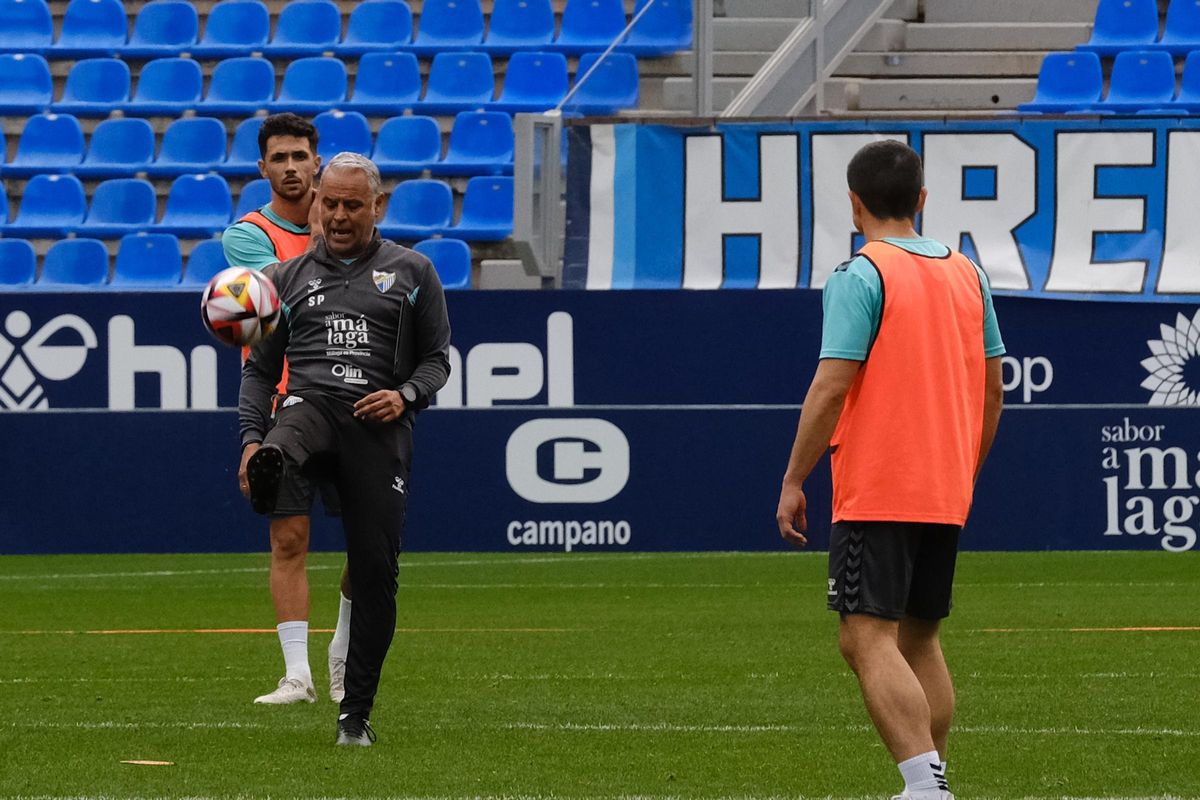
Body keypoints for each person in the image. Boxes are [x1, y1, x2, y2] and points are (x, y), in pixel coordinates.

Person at [774, 140, 1004, 800]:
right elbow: (992, 390)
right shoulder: (968, 274)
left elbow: (831, 385)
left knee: (865, 638)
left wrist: (794, 478)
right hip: (942, 486)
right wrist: (965, 469)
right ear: (922, 200)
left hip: (880, 484)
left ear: (854, 204)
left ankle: (924, 785)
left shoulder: (861, 274)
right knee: (919, 638)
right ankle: (934, 778)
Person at [238, 152, 451, 746]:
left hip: (377, 422)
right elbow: (259, 373)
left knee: (377, 567)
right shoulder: (285, 281)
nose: (336, 215)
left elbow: (438, 361)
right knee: (293, 423)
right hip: (309, 408)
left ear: (376, 207)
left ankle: (354, 716)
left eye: (351, 205)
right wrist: (251, 441)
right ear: (315, 204)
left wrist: (405, 394)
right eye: (327, 202)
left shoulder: (414, 273)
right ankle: (272, 471)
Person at [222, 113, 355, 707]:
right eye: (280, 159)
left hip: (355, 398)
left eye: (302, 156)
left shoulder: (345, 221)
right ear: (263, 169)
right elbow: (277, 305)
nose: (292, 168)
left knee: (367, 541)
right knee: (289, 538)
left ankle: (344, 657)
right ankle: (296, 674)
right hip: (285, 400)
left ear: (317, 162)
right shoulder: (248, 236)